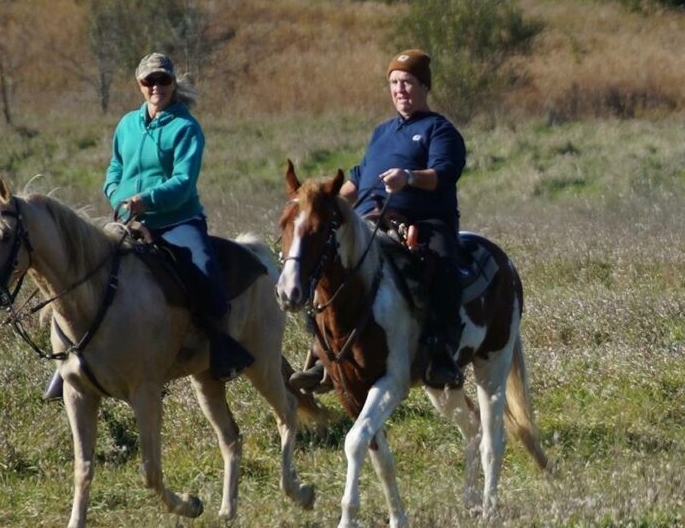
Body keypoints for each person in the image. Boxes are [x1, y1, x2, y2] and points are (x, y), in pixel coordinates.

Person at [44, 52, 252, 400]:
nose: (156, 87)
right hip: (127, 219)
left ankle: (221, 347)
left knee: (205, 272)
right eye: (148, 81)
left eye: (162, 80)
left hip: (177, 221)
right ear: (139, 85)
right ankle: (66, 361)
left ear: (173, 83)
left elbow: (184, 181)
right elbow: (115, 169)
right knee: (81, 273)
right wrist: (116, 195)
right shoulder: (127, 125)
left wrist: (146, 200)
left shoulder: (186, 128)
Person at [290, 48, 466, 393]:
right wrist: (320, 206)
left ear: (424, 87)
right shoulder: (381, 132)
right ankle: (320, 357)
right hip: (369, 222)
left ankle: (442, 354)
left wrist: (409, 178)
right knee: (325, 266)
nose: (400, 89)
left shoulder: (440, 130)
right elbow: (357, 181)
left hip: (424, 222)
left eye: (408, 82)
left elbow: (442, 174)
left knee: (444, 265)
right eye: (394, 82)